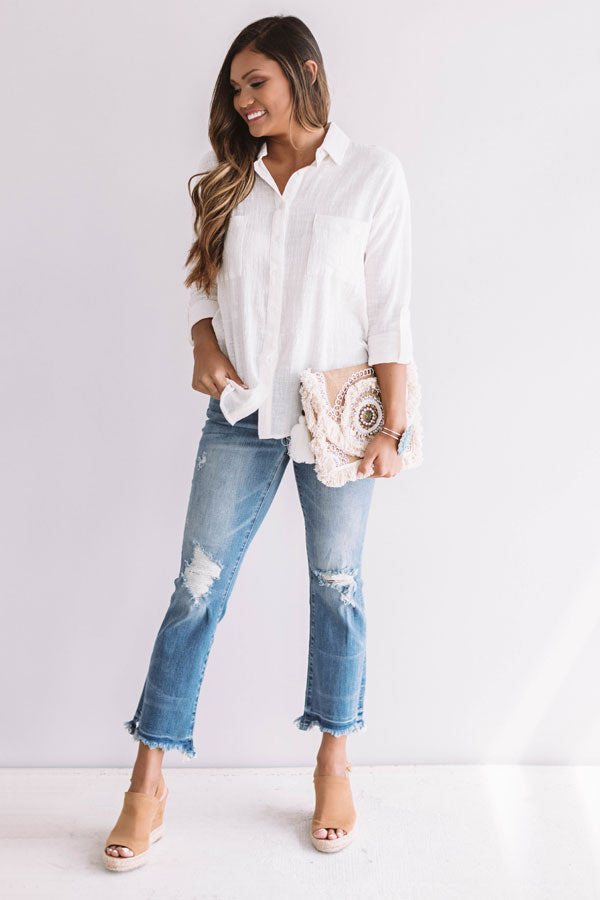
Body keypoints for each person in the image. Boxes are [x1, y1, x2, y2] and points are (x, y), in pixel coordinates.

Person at [104, 14, 416, 870]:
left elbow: (390, 311)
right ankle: (146, 784)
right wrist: (202, 344)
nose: (243, 100)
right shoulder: (228, 182)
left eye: (257, 82)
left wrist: (393, 429)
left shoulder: (372, 176)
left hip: (337, 420)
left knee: (337, 586)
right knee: (194, 590)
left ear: (304, 71)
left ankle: (334, 763)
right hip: (240, 414)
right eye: (235, 88)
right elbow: (203, 286)